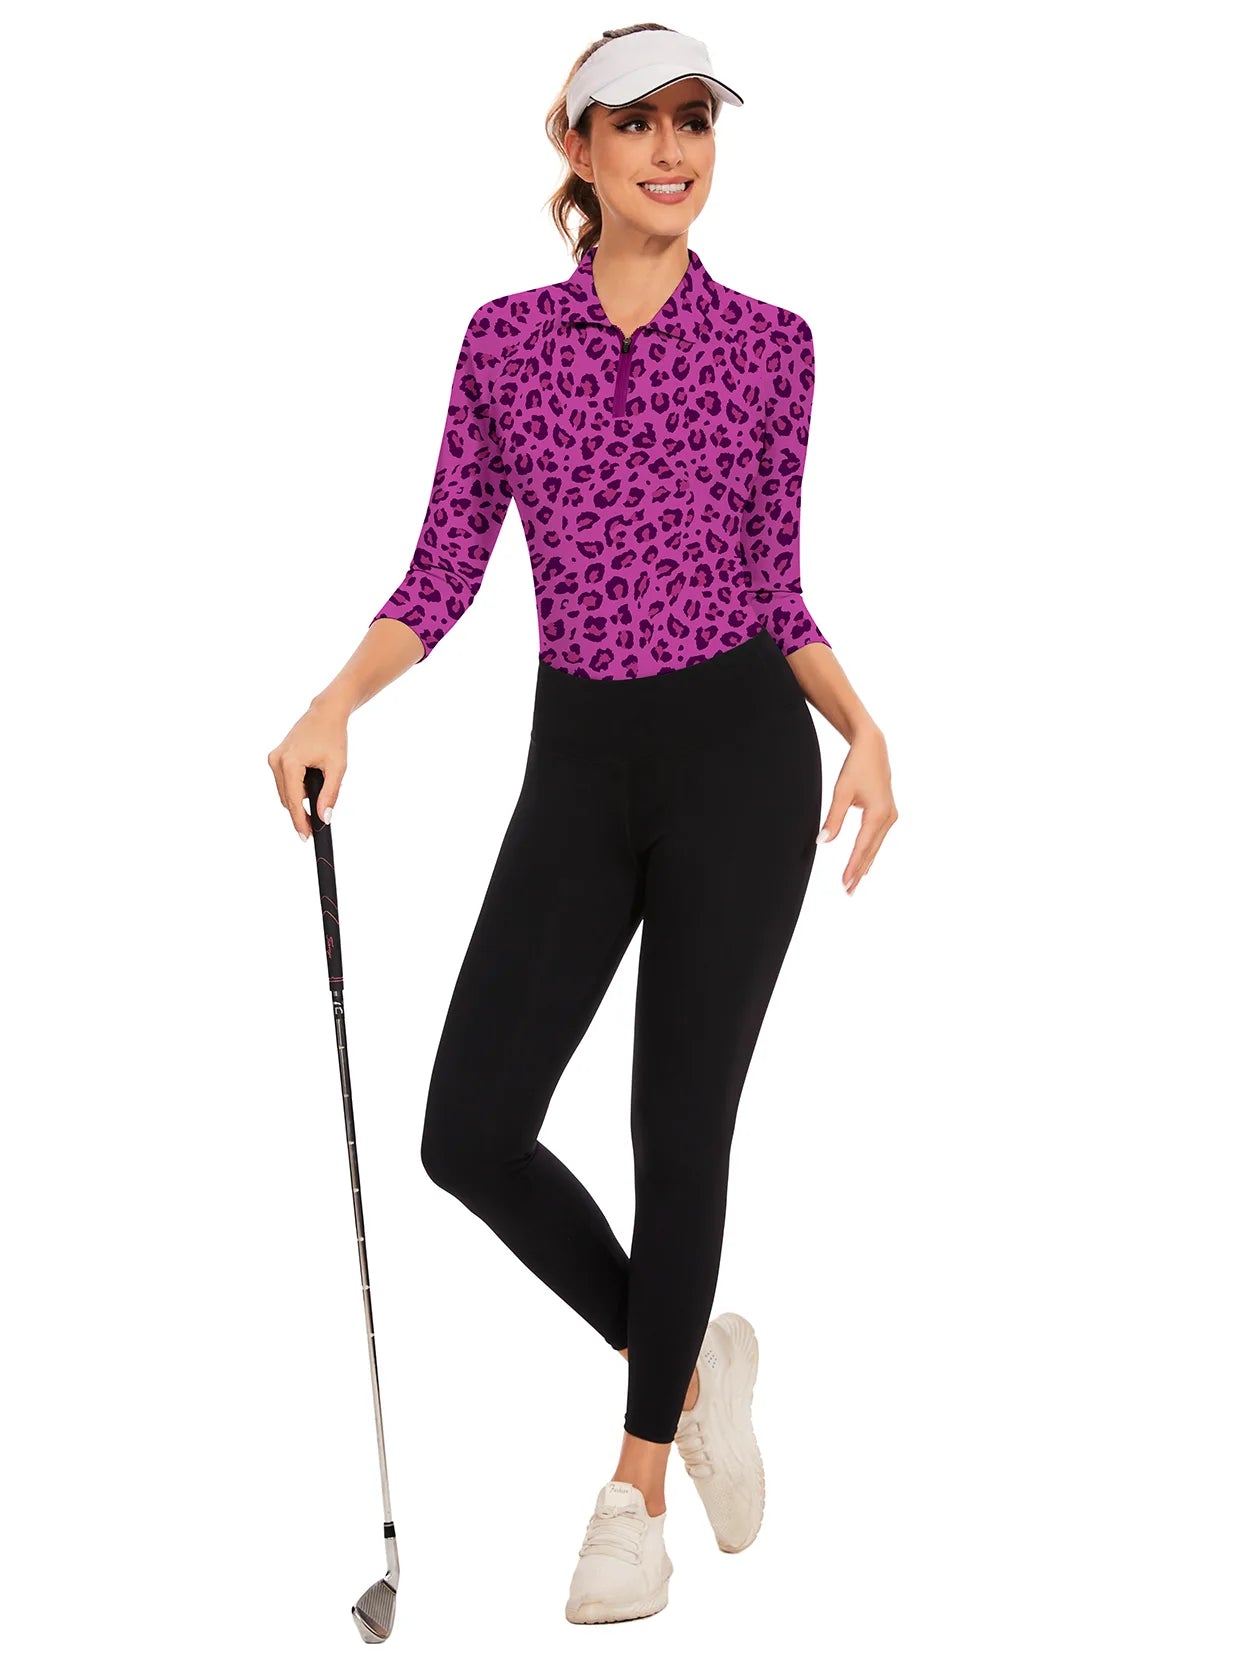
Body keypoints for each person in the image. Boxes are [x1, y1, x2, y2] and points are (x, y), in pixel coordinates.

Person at [268, 23, 898, 1625]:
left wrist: (865, 726)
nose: (673, 149)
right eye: (639, 123)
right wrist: (338, 701)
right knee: (468, 1128)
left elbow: (776, 585)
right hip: (581, 760)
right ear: (580, 147)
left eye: (696, 121)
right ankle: (686, 1365)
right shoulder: (505, 344)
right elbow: (443, 569)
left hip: (739, 760)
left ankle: (635, 1490)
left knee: (675, 1124)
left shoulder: (774, 348)